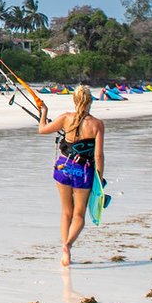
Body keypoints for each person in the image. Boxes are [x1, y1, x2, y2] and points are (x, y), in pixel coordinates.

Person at [38, 85, 105, 268]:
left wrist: (44, 111)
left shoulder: (65, 118)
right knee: (79, 215)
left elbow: (42, 129)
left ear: (75, 101)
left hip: (63, 167)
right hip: (83, 172)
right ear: (90, 101)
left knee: (66, 211)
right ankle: (68, 245)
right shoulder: (97, 124)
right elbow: (98, 155)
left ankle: (64, 250)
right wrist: (99, 179)